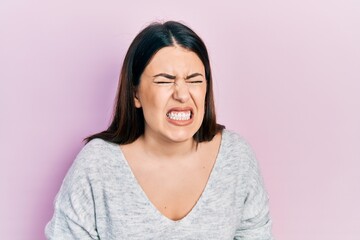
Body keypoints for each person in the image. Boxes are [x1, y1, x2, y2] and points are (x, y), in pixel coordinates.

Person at [45, 21, 274, 239]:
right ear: (135, 94)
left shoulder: (237, 159)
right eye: (165, 81)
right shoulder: (96, 166)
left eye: (194, 80)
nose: (182, 95)